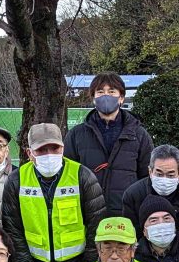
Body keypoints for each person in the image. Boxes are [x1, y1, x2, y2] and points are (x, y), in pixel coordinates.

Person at [3, 123, 105, 262]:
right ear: (29, 152)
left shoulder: (82, 176)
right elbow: (13, 232)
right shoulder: (17, 181)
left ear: (63, 148)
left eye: (54, 148)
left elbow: (97, 227)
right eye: (41, 149)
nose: (49, 154)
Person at [63, 73, 154, 215]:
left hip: (127, 213)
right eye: (100, 92)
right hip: (88, 214)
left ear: (121, 98)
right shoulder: (76, 135)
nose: (106, 96)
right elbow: (68, 176)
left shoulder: (139, 134)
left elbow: (147, 177)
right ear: (93, 98)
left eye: (112, 91)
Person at [121, 144, 179, 249]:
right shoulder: (133, 195)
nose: (164, 179)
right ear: (150, 171)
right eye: (159, 174)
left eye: (170, 175)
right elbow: (131, 237)